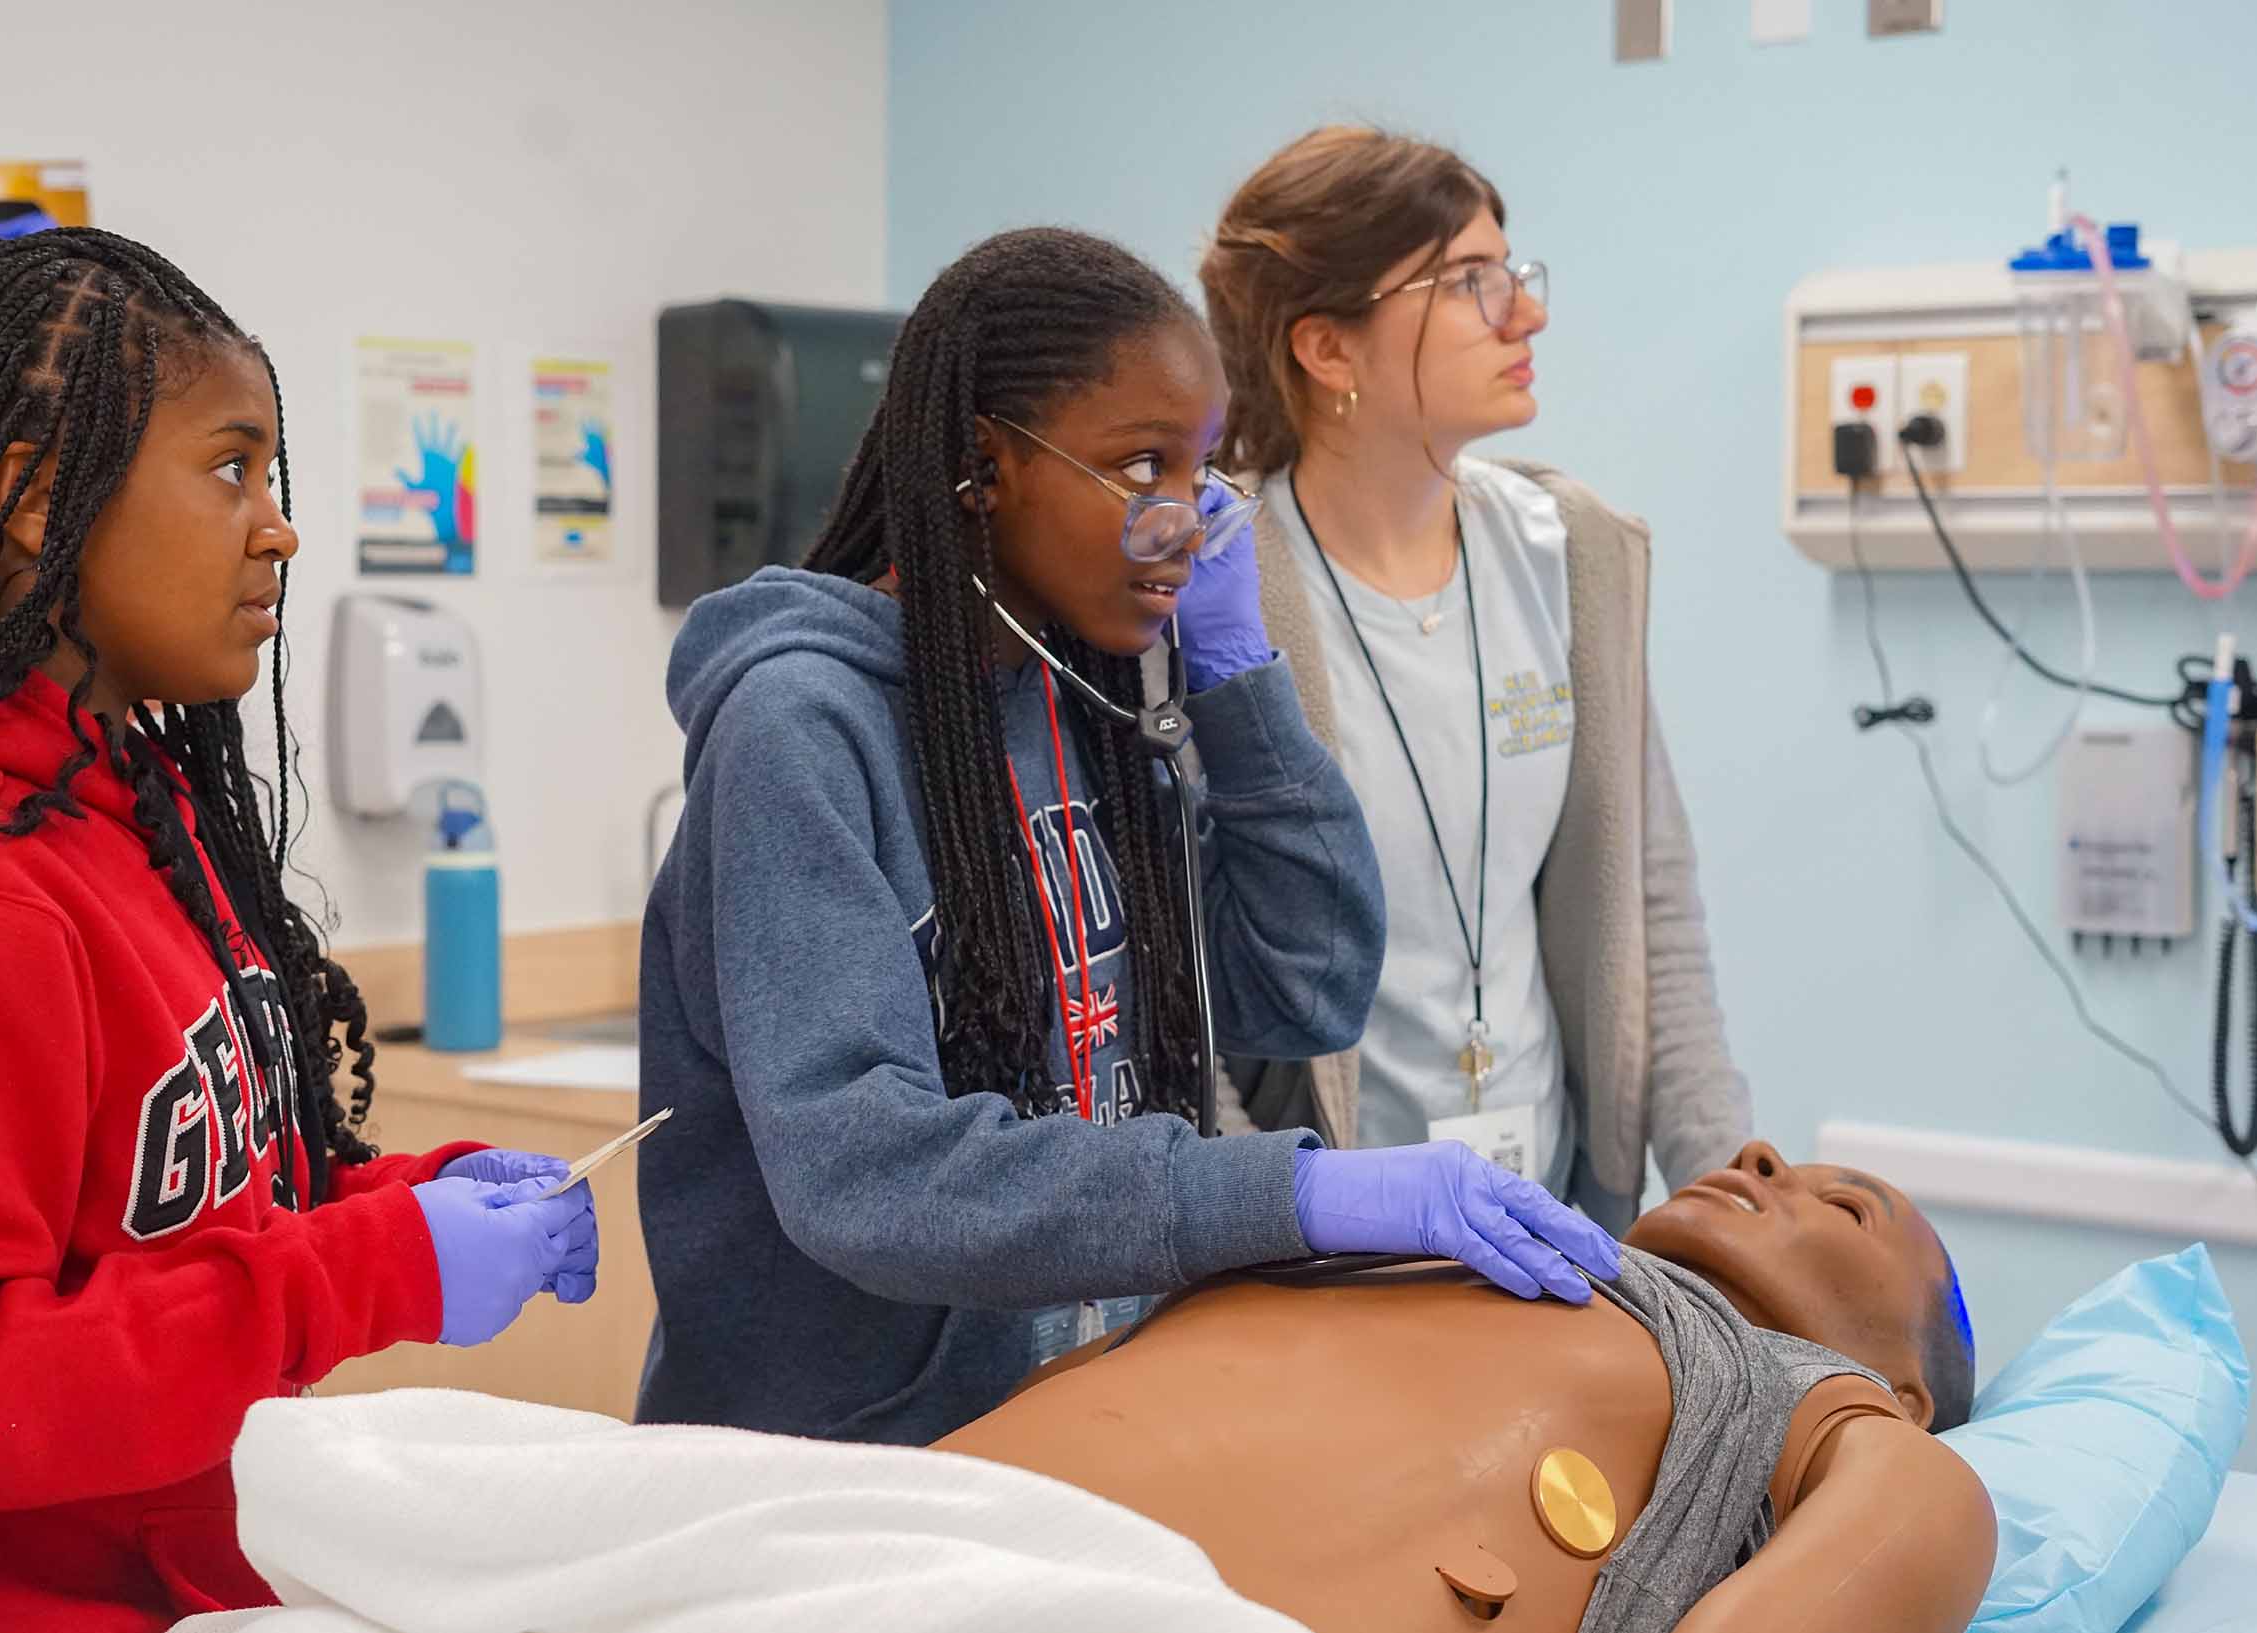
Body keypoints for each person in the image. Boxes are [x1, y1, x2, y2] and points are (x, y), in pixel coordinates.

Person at [634, 226, 1625, 1447]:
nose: (1183, 524)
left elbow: (1303, 988)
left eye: (1199, 472)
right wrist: (1293, 1193)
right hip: (854, 1465)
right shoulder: (801, 725)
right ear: (980, 467)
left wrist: (1237, 673)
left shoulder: (1094, 697)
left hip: (1087, 1414)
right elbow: (863, 1172)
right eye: (1137, 467)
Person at [0, 230, 599, 1633]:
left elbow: (189, 1226)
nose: (277, 526)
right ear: (40, 505)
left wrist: (414, 1197)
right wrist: (379, 1267)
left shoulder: (128, 806)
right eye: (233, 468)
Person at [1198, 127, 1752, 1228]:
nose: (1524, 313)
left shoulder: (1572, 553)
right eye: (1466, 282)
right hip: (1322, 1247)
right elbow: (1174, 978)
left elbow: (1651, 915)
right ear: (1326, 348)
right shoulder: (1217, 588)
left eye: (1512, 272)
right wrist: (1264, 1221)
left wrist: (1735, 1209)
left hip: (1553, 1217)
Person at [938, 1140, 1993, 1633]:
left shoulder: (1793, 1398)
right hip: (915, 1522)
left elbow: (1910, 1527)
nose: (1758, 1154)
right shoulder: (1418, 1233)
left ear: (1901, 1393)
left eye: (1846, 1206)